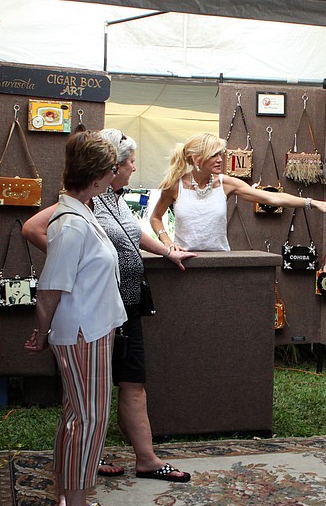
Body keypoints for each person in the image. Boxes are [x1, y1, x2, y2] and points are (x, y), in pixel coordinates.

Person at [23, 129, 196, 484]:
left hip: (125, 307)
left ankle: (145, 459)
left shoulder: (114, 200)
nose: (134, 168)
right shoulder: (82, 203)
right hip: (95, 315)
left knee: (131, 382)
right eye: (130, 162)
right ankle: (86, 464)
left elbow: (133, 235)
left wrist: (168, 251)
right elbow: (32, 229)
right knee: (89, 403)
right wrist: (77, 267)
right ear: (109, 168)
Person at [23, 131, 126, 506]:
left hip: (91, 329)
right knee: (88, 419)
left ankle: (73, 498)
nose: (117, 173)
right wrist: (42, 331)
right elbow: (51, 287)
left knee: (77, 418)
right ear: (99, 176)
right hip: (84, 333)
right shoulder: (71, 223)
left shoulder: (79, 213)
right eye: (113, 169)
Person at [149, 132, 326, 252]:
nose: (220, 159)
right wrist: (167, 242)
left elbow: (272, 197)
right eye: (214, 155)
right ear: (197, 159)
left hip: (219, 261)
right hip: (183, 261)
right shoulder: (175, 186)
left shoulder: (226, 184)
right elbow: (155, 217)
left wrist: (313, 203)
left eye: (220, 154)